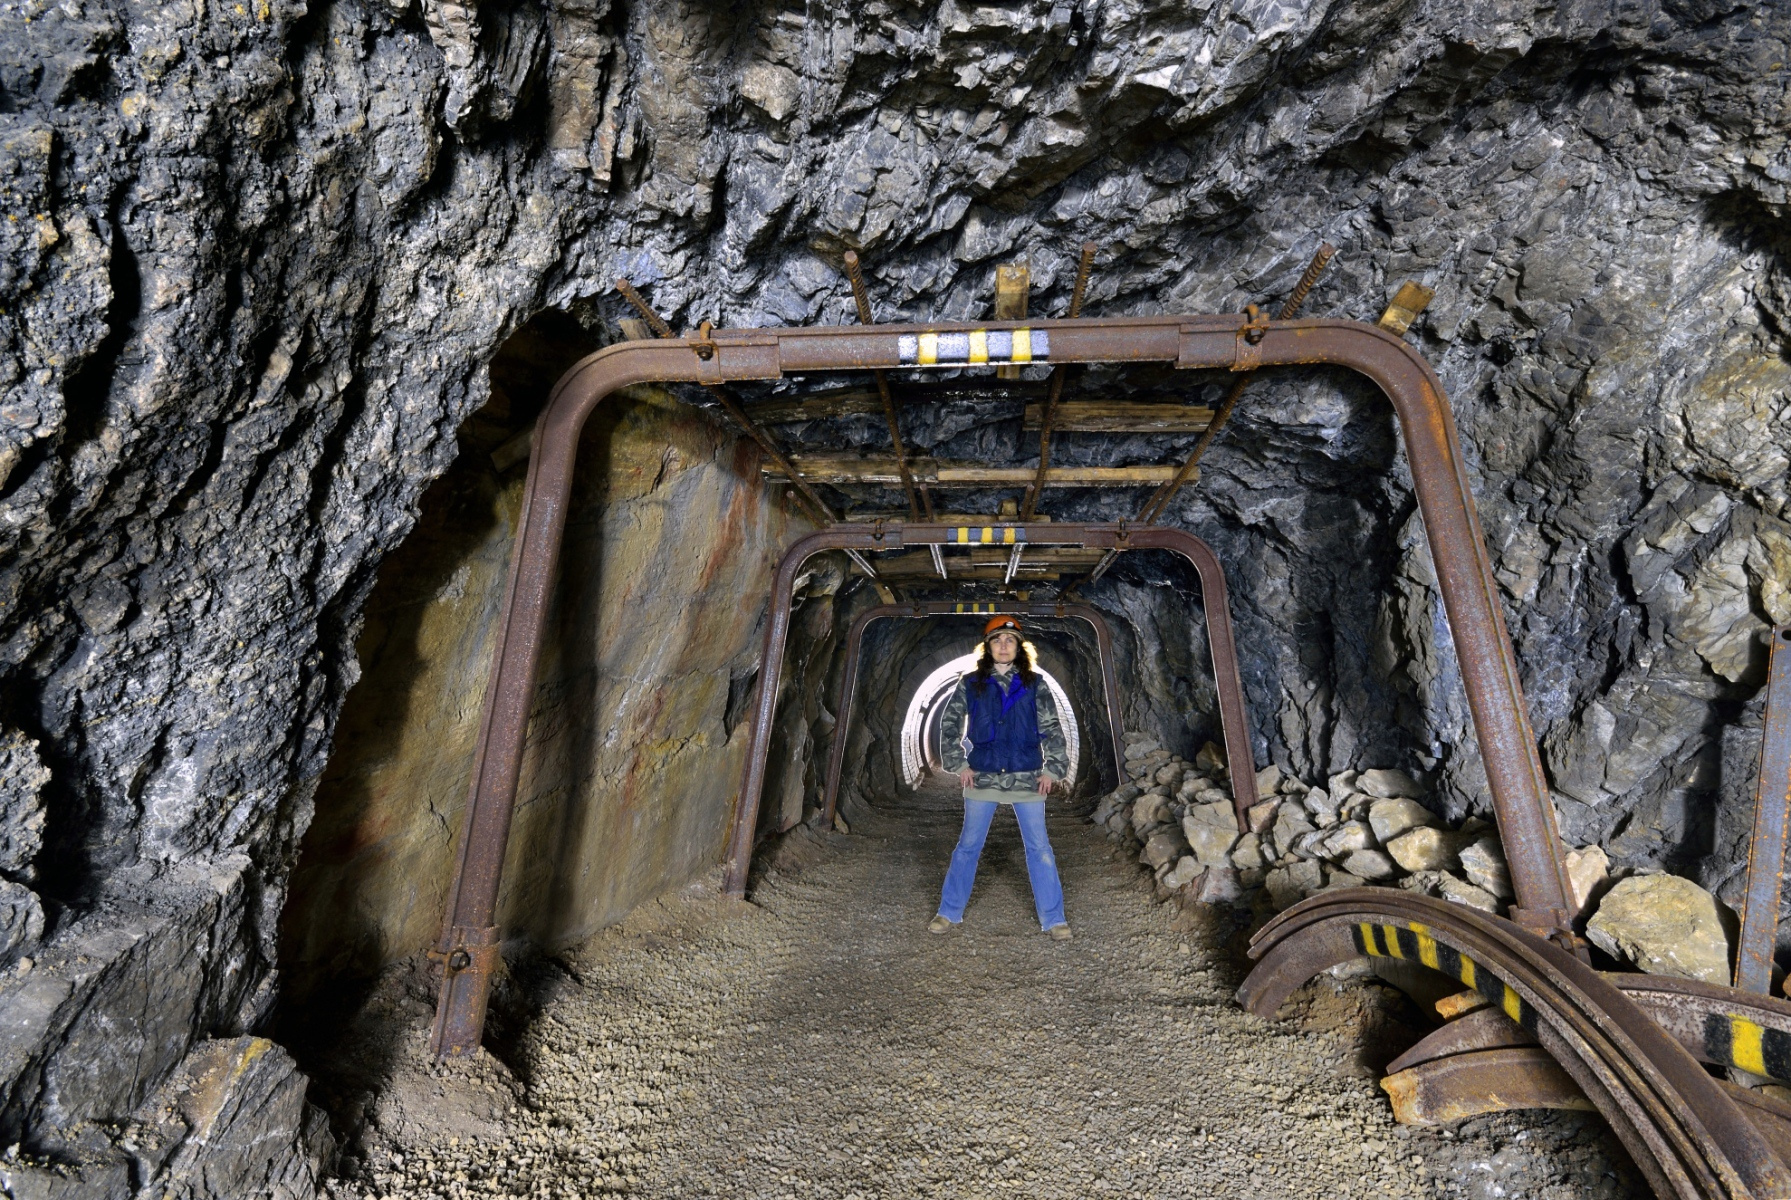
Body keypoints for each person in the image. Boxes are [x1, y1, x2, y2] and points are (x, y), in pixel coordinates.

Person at [929, 615, 1073, 940]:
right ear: (988, 646)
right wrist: (958, 764)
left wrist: (1052, 769)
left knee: (1040, 849)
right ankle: (948, 911)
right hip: (983, 775)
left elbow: (1052, 728)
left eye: (1009, 640)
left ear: (1019, 647)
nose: (1003, 646)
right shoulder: (970, 683)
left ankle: (1054, 919)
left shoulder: (1036, 684)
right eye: (997, 640)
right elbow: (949, 724)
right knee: (968, 846)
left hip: (1027, 775)